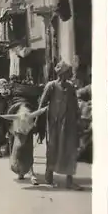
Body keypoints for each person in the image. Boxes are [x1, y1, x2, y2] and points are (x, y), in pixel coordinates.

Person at [39, 61, 82, 190]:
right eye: (68, 72)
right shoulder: (51, 86)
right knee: (53, 148)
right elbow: (42, 104)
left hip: (69, 125)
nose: (70, 74)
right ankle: (49, 177)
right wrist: (39, 122)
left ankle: (69, 181)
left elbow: (75, 105)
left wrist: (78, 119)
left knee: (70, 150)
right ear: (62, 73)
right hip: (54, 125)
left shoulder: (71, 87)